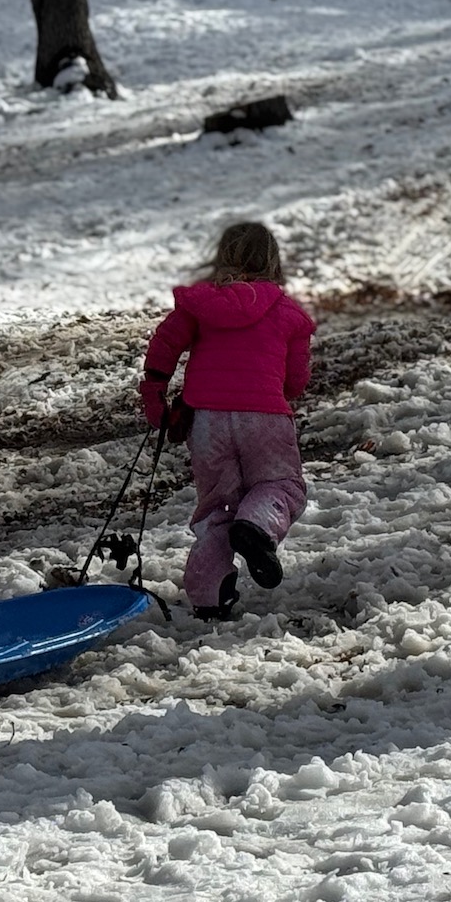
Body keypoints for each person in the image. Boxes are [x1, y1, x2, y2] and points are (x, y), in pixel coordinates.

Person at [139, 222, 315, 621]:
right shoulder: (288, 312)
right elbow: (296, 381)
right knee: (281, 485)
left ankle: (208, 596)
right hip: (265, 417)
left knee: (217, 506)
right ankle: (256, 527)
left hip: (208, 422)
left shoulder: (199, 304)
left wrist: (155, 392)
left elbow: (165, 343)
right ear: (273, 262)